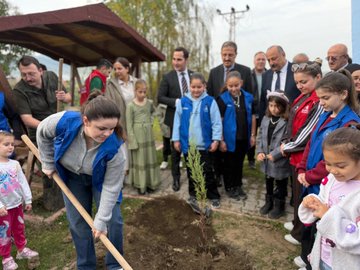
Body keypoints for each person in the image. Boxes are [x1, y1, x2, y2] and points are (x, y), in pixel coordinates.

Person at [36, 93, 126, 270]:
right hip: (71, 177)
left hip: (101, 181)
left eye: (112, 128)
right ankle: (86, 265)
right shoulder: (63, 121)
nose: (107, 133)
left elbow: (111, 186)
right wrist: (47, 161)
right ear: (86, 120)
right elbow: (42, 131)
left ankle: (115, 265)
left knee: (112, 221)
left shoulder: (115, 149)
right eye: (102, 128)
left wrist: (100, 219)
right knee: (78, 222)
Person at [294, 69, 360, 269]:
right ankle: (312, 259)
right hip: (319, 183)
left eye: (325, 97)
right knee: (315, 229)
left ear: (343, 94)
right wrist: (302, 169)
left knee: (322, 225)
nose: (320, 102)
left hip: (318, 180)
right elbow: (311, 143)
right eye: (319, 97)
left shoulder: (350, 125)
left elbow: (335, 161)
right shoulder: (325, 115)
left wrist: (312, 176)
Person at [13, 55, 71, 211]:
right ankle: (53, 203)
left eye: (31, 73)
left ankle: (72, 196)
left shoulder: (52, 77)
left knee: (69, 162)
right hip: (39, 135)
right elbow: (27, 119)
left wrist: (64, 97)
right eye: (23, 74)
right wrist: (49, 129)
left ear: (40, 70)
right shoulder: (19, 90)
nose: (27, 78)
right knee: (50, 168)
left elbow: (69, 98)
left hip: (62, 128)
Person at [298, 126, 360, 270]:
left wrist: (327, 215)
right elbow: (324, 201)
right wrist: (313, 202)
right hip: (322, 254)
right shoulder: (332, 179)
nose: (332, 170)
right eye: (327, 163)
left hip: (345, 263)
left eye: (340, 166)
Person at [280, 62, 324, 246]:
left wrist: (287, 146)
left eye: (304, 81)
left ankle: (300, 233)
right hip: (295, 155)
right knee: (296, 194)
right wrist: (286, 142)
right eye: (297, 82)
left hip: (302, 156)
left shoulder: (318, 100)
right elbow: (292, 123)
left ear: (318, 78)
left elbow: (308, 131)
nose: (300, 86)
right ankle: (296, 222)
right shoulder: (302, 97)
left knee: (302, 195)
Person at [172, 72, 222, 209]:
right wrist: (176, 139)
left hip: (205, 145)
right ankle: (193, 195)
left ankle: (213, 196)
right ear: (189, 87)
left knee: (207, 171)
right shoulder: (183, 102)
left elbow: (217, 123)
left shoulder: (210, 102)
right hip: (189, 145)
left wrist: (216, 140)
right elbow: (177, 122)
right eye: (193, 87)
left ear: (204, 86)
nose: (196, 90)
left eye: (199, 87)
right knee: (191, 171)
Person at [207, 41, 253, 187]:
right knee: (220, 155)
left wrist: (252, 133)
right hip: (220, 121)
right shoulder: (214, 72)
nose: (227, 58)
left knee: (235, 158)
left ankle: (234, 181)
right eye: (224, 54)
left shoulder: (245, 71)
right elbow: (210, 95)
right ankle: (221, 178)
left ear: (235, 55)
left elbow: (249, 99)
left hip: (240, 126)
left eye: (230, 55)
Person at [0, 131, 38, 270]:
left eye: (12, 144)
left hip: (17, 205)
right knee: (4, 232)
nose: (10, 147)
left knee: (19, 228)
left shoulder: (15, 164)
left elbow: (22, 182)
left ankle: (21, 249)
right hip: (3, 209)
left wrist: (28, 199)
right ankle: (6, 258)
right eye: (6, 144)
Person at [157, 47, 193, 192]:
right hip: (175, 120)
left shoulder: (194, 75)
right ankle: (176, 179)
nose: (176, 62)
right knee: (176, 150)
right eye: (174, 59)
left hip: (192, 120)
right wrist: (176, 102)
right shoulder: (168, 77)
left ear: (186, 60)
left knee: (192, 149)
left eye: (179, 59)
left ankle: (193, 178)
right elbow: (160, 97)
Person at [217, 71, 256, 200]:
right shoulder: (223, 99)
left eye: (236, 85)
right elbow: (220, 120)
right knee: (229, 163)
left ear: (241, 83)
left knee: (239, 163)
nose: (233, 89)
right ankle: (229, 187)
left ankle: (238, 185)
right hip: (229, 139)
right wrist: (221, 140)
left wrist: (252, 135)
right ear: (227, 85)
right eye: (230, 86)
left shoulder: (248, 97)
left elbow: (253, 117)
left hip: (243, 137)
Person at [256, 90, 290, 219]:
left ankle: (279, 205)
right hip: (266, 159)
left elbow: (287, 141)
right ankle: (269, 201)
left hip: (279, 159)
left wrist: (275, 154)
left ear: (284, 106)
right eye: (271, 105)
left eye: (277, 106)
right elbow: (260, 137)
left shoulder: (286, 121)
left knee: (280, 182)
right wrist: (260, 151)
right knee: (268, 180)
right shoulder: (266, 119)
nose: (274, 109)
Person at [126, 79, 160, 194]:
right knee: (140, 160)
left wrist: (149, 122)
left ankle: (151, 182)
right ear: (135, 91)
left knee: (149, 157)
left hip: (148, 135)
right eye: (140, 92)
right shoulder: (130, 106)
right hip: (137, 136)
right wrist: (132, 140)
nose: (142, 94)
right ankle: (141, 185)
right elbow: (129, 124)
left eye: (144, 92)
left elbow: (154, 113)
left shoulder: (149, 103)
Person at [259, 45, 301, 121]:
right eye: (268, 60)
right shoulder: (266, 75)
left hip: (293, 120)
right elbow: (263, 100)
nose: (271, 63)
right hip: (272, 122)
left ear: (283, 54)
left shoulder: (297, 70)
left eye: (274, 59)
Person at [106, 57, 138, 134]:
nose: (117, 71)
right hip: (120, 125)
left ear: (127, 69)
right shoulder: (110, 85)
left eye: (120, 69)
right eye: (115, 69)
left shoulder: (137, 82)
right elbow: (108, 106)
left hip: (136, 124)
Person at [249, 51, 267, 169]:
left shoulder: (269, 74)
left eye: (263, 59)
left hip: (266, 110)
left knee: (265, 135)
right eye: (258, 59)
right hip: (253, 109)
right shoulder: (249, 75)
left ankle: (264, 156)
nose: (260, 61)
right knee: (252, 134)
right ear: (254, 61)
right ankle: (251, 159)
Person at [156, 103, 171, 170]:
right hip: (165, 127)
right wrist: (161, 122)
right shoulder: (161, 105)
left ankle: (178, 160)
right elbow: (158, 115)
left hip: (174, 126)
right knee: (166, 144)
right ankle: (165, 160)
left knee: (176, 143)